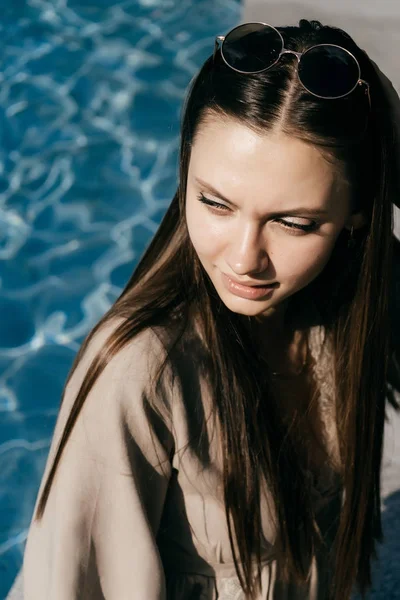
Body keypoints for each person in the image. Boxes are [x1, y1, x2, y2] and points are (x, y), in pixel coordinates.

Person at [20, 18, 400, 600]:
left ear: (358, 216)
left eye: (293, 223)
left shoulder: (349, 304)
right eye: (215, 203)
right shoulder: (140, 369)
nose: (244, 259)